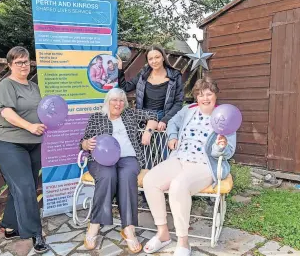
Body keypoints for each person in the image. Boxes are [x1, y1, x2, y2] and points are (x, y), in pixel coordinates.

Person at [142, 77, 237, 256]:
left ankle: (183, 242)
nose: (205, 98)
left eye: (209, 94)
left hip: (204, 164)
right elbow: (173, 123)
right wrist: (172, 137)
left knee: (179, 186)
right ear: (196, 97)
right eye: (200, 94)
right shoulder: (188, 110)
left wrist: (220, 146)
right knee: (150, 180)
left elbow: (229, 151)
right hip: (179, 158)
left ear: (216, 95)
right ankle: (163, 234)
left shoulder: (225, 116)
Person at [80, 88, 158, 254]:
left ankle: (128, 228)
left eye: (121, 100)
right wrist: (86, 144)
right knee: (107, 176)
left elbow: (153, 115)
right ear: (107, 102)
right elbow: (84, 141)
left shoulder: (130, 114)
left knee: (127, 176)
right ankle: (94, 225)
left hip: (128, 158)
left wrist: (148, 131)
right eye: (114, 100)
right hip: (101, 160)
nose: (118, 104)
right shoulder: (96, 117)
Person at [0, 46, 49, 254]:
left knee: (24, 186)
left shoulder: (33, 87)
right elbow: (7, 112)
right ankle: (34, 233)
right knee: (25, 187)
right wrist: (30, 126)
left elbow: (40, 110)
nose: (24, 65)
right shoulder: (6, 85)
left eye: (26, 61)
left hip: (33, 144)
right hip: (10, 143)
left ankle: (9, 226)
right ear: (10, 65)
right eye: (19, 62)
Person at [118, 45, 184, 207]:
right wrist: (120, 69)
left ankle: (169, 191)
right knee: (145, 156)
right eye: (150, 58)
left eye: (157, 57)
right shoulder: (143, 75)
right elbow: (124, 88)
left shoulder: (175, 76)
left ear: (163, 57)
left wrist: (166, 119)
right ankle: (148, 191)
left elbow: (178, 102)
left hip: (164, 118)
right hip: (144, 118)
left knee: (164, 157)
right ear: (147, 61)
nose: (154, 61)